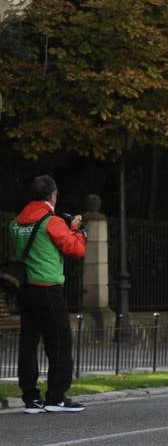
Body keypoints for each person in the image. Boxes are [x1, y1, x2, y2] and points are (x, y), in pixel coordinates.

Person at [11, 175, 87, 413]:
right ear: (52, 195)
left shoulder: (16, 223)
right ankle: (56, 396)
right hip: (48, 289)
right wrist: (76, 230)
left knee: (28, 342)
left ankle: (31, 397)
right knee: (60, 340)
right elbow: (75, 249)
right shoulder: (51, 222)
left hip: (24, 288)